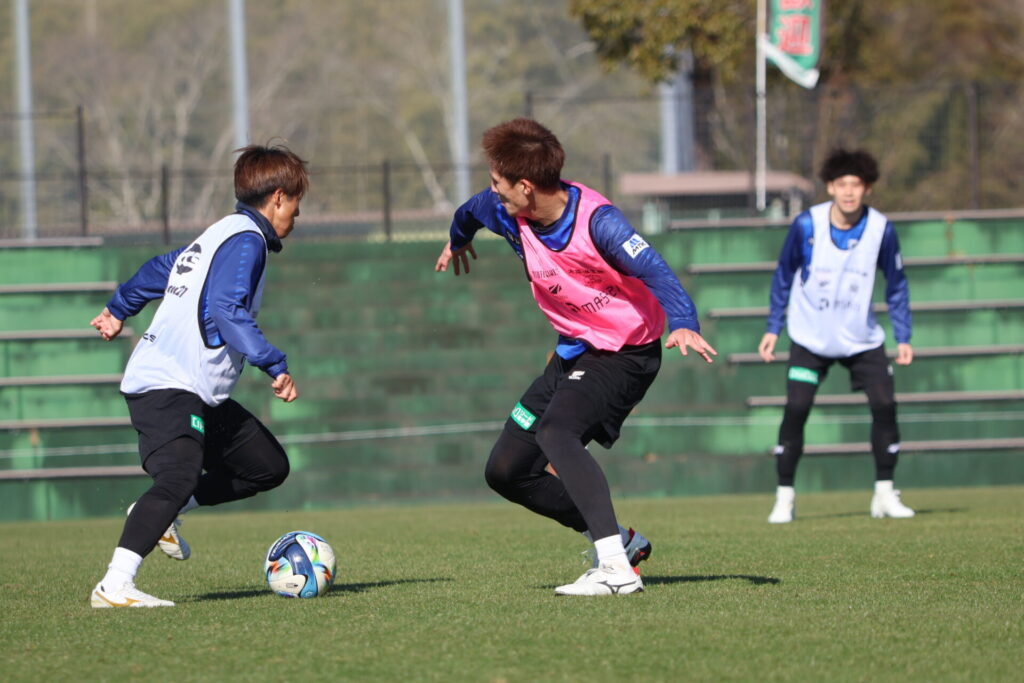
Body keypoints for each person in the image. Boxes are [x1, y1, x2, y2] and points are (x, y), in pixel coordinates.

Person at [435, 118, 715, 596]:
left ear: (526, 187)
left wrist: (685, 321)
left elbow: (656, 270)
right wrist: (458, 240)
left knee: (557, 432)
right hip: (575, 350)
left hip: (626, 353)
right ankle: (622, 543)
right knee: (507, 471)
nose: (493, 191)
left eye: (499, 183)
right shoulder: (503, 210)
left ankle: (615, 571)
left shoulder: (599, 223)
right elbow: (468, 212)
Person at [88, 144, 308, 607]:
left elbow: (160, 269)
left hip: (195, 390)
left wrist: (118, 308)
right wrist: (274, 363)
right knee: (176, 477)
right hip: (168, 385)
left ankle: (164, 512)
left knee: (266, 466)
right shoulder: (247, 241)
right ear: (278, 198)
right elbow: (226, 309)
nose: (297, 215)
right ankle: (115, 584)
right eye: (297, 203)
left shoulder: (219, 234)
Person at [759, 148, 915, 524]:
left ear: (867, 189)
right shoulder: (806, 225)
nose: (848, 192)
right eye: (841, 184)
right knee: (796, 409)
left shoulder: (881, 229)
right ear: (830, 187)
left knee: (885, 405)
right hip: (810, 338)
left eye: (856, 185)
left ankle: (884, 494)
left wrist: (903, 335)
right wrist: (773, 327)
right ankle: (784, 497)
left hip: (862, 339)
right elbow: (783, 277)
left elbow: (896, 284)